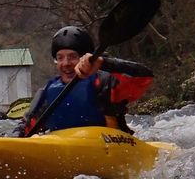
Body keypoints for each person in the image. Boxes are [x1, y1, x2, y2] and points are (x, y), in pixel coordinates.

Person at [12, 25, 153, 137]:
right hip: (64, 149)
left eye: (73, 56)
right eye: (60, 57)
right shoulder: (47, 92)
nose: (66, 63)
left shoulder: (105, 82)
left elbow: (145, 77)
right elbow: (25, 127)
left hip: (109, 146)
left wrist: (103, 63)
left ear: (86, 58)